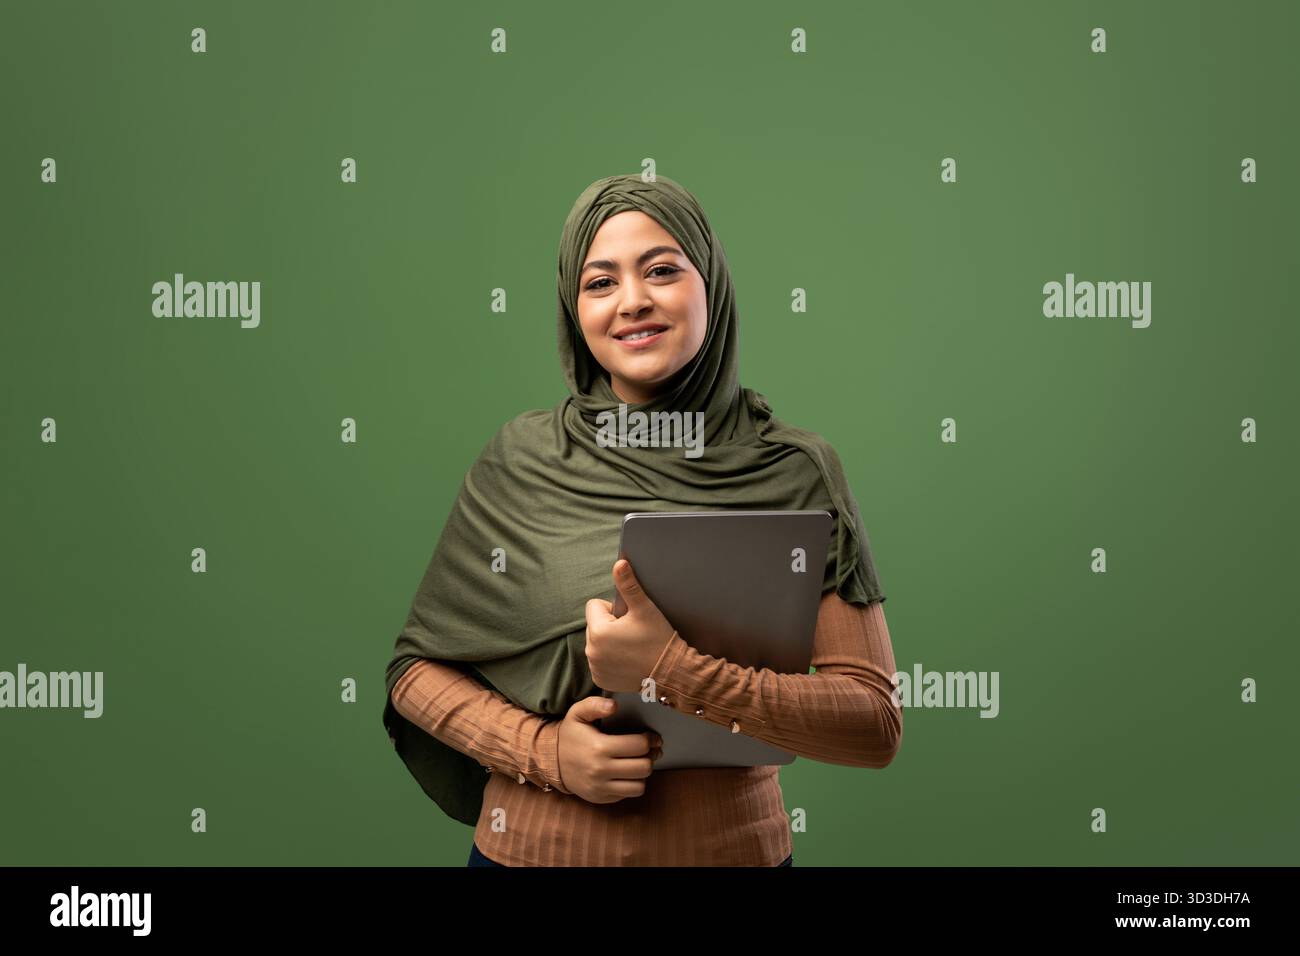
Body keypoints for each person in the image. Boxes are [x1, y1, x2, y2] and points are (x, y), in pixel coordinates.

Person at [382, 174, 902, 866]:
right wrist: (548, 754)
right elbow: (415, 671)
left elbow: (873, 722)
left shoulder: (797, 470)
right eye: (600, 283)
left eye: (661, 270)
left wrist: (672, 669)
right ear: (574, 309)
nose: (633, 302)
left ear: (709, 282)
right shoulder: (524, 457)